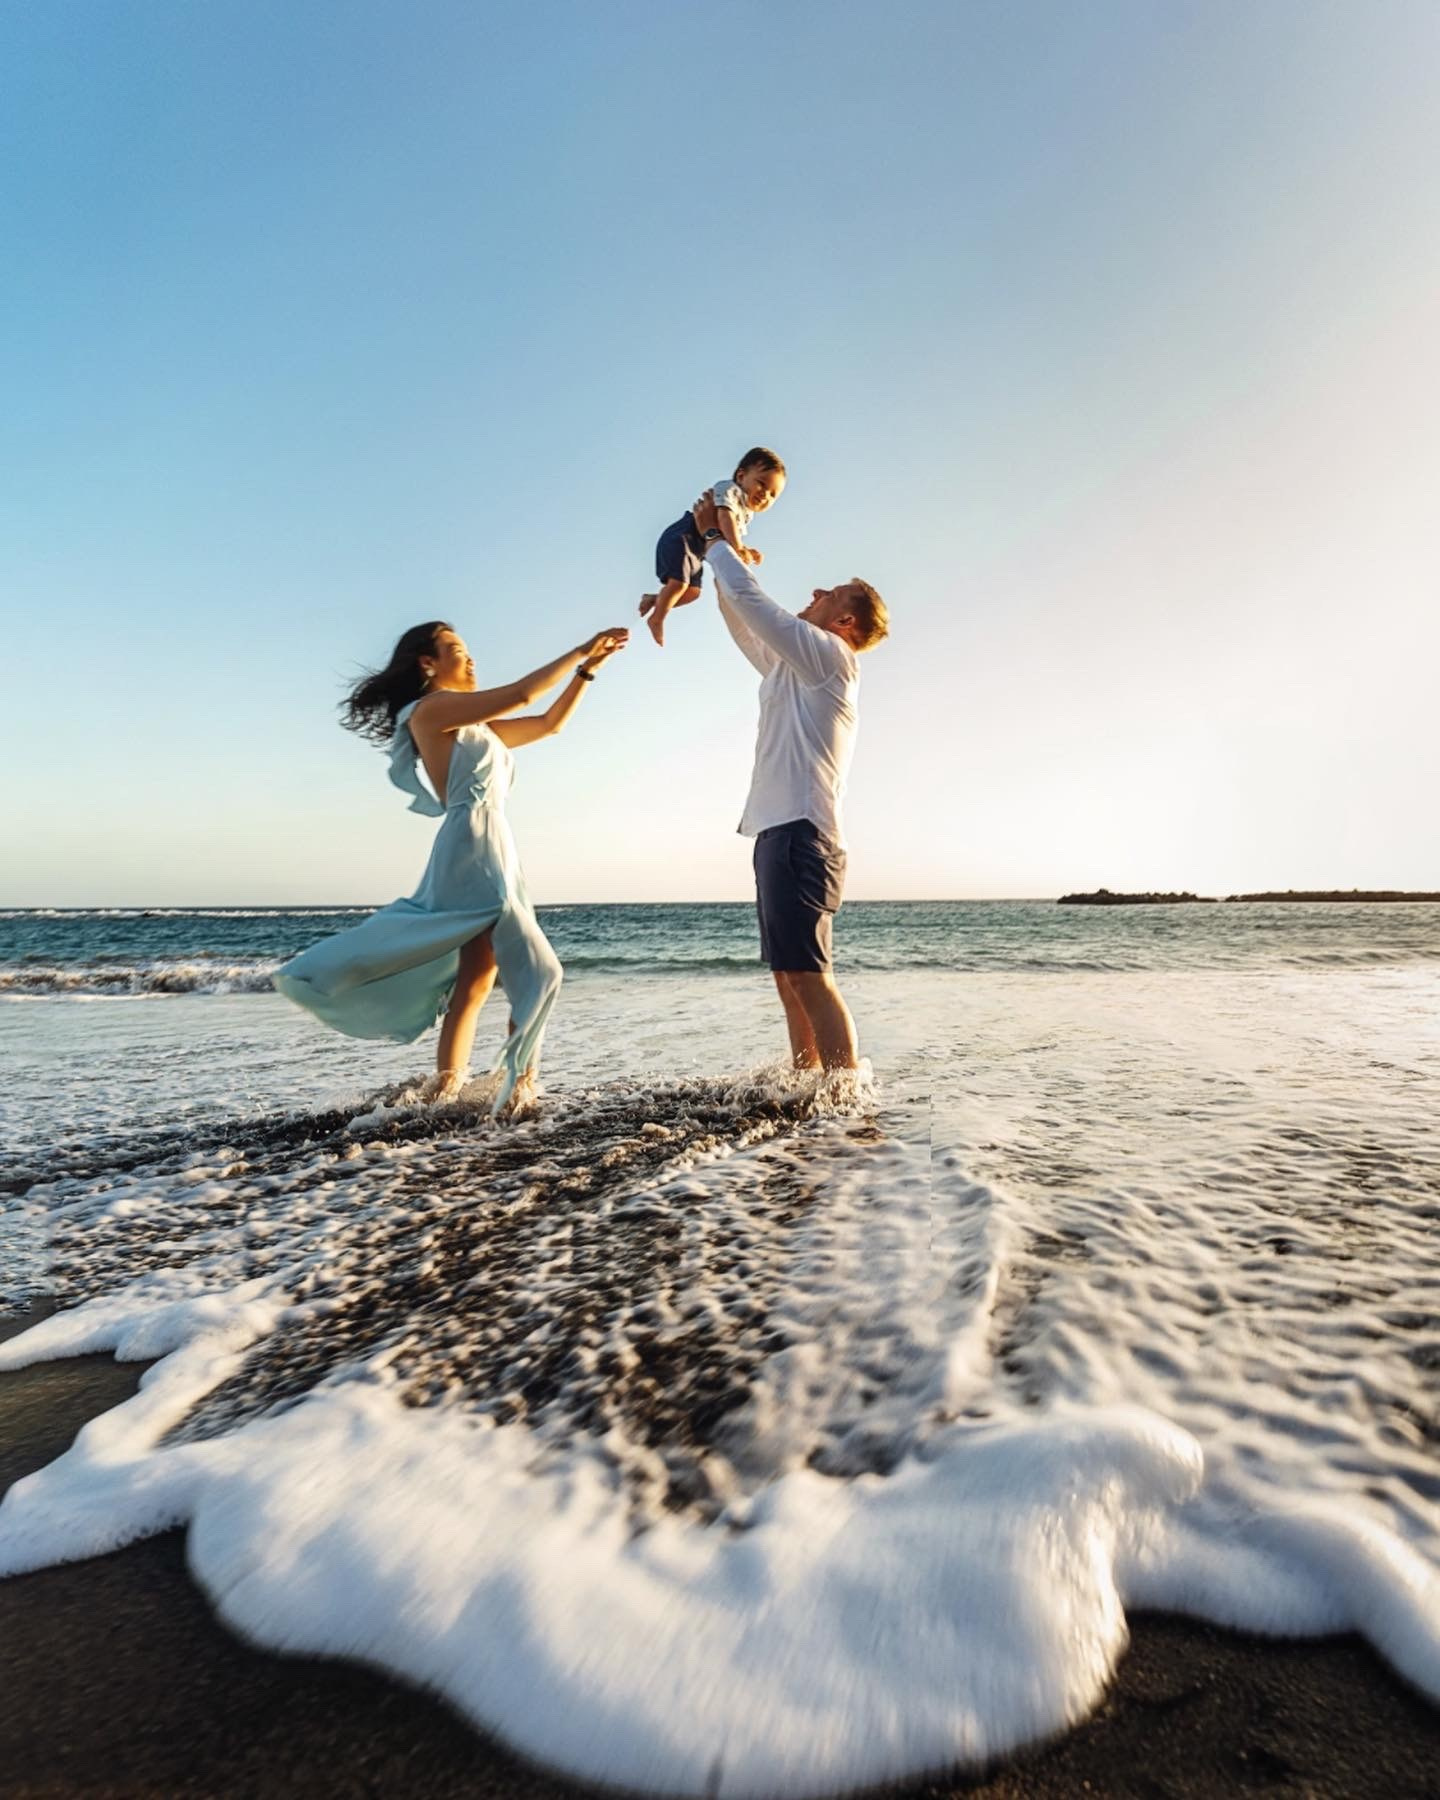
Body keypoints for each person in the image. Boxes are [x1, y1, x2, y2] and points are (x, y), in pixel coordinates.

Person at [273, 620, 628, 1113]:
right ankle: (517, 1091)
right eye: (457, 649)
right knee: (543, 971)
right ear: (428, 662)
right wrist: (577, 649)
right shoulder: (432, 710)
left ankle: (446, 1092)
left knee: (478, 976)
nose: (471, 658)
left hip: (494, 841)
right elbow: (525, 695)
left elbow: (548, 723)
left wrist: (587, 672)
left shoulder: (474, 726)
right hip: (473, 842)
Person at [690, 488, 889, 1071]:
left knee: (810, 975)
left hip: (805, 834)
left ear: (843, 621)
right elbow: (744, 620)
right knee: (788, 976)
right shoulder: (794, 666)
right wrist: (721, 558)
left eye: (828, 594)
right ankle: (809, 1088)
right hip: (779, 831)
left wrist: (715, 539)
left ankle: (846, 1102)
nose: (815, 593)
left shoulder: (831, 656)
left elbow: (756, 606)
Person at [640, 448, 786, 646]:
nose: (765, 495)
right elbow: (724, 517)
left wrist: (744, 548)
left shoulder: (745, 513)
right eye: (761, 484)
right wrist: (739, 547)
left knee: (693, 593)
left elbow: (727, 535)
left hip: (696, 551)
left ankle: (655, 599)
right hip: (682, 538)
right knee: (679, 584)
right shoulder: (730, 490)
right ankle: (657, 618)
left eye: (772, 495)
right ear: (741, 476)